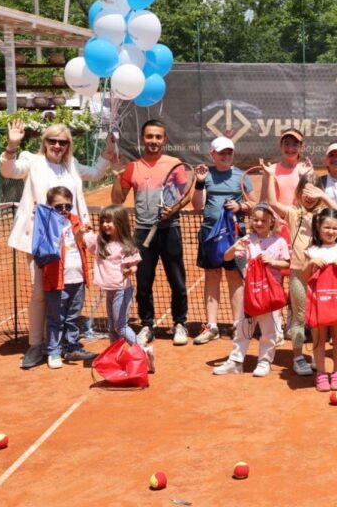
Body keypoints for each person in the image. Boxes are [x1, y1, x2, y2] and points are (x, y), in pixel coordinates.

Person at [0, 119, 116, 369]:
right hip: (40, 238)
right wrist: (12, 145)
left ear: (68, 145)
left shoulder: (70, 165)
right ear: (44, 142)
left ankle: (65, 344)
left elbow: (95, 174)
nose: (57, 146)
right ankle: (36, 345)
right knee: (41, 292)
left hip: (71, 238)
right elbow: (9, 171)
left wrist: (108, 151)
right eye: (52, 141)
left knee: (70, 291)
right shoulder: (32, 161)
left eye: (62, 142)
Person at [112, 120, 193, 346]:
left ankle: (180, 323)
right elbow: (117, 200)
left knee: (177, 280)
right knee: (144, 281)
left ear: (164, 140)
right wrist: (117, 178)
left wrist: (174, 209)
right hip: (142, 232)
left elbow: (186, 194)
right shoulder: (132, 167)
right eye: (149, 136)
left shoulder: (174, 164)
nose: (154, 141)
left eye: (158, 137)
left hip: (171, 230)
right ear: (142, 138)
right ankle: (147, 325)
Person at [266, 172, 337, 376]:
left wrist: (323, 196)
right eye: (305, 192)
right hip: (298, 273)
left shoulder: (325, 212)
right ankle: (298, 357)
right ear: (299, 192)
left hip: (322, 274)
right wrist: (271, 176)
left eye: (313, 192)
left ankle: (317, 354)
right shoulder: (293, 213)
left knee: (320, 318)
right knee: (298, 318)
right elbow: (272, 202)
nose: (309, 197)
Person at [191, 137, 254, 345]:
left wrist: (241, 207)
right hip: (210, 234)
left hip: (235, 235)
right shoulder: (206, 175)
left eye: (229, 153)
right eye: (221, 153)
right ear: (213, 155)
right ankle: (212, 326)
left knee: (235, 277)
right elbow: (197, 206)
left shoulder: (241, 176)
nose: (226, 156)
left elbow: (255, 204)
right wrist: (199, 182)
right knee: (211, 276)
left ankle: (237, 324)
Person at [215, 204, 289, 377]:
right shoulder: (247, 239)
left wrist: (272, 261)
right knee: (243, 328)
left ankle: (264, 361)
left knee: (269, 330)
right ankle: (235, 361)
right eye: (255, 219)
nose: (259, 223)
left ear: (272, 221)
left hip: (270, 294)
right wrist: (235, 248)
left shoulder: (279, 241)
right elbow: (227, 257)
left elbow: (287, 263)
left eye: (263, 220)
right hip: (250, 293)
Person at [83, 203, 153, 372]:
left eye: (110, 221)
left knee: (120, 326)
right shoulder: (100, 241)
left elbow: (135, 265)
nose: (106, 224)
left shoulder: (125, 245)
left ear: (120, 223)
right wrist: (83, 230)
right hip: (110, 290)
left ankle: (143, 351)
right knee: (112, 327)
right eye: (104, 221)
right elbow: (84, 239)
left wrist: (131, 269)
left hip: (122, 290)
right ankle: (116, 356)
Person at [302, 208, 337, 392]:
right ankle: (321, 373)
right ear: (318, 227)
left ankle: (336, 372)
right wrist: (311, 263)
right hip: (318, 302)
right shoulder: (311, 250)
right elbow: (304, 276)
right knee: (319, 339)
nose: (330, 231)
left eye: (334, 228)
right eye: (326, 227)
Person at [41, 187, 94, 369]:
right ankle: (54, 351)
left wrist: (84, 234)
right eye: (58, 206)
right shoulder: (47, 224)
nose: (63, 209)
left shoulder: (76, 221)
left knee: (73, 318)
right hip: (57, 281)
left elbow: (83, 244)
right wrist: (44, 215)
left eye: (67, 206)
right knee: (56, 319)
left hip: (77, 279)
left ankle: (71, 347)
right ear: (50, 206)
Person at [260, 127, 313, 207]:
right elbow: (262, 202)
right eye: (286, 143)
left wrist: (304, 177)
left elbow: (310, 204)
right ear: (281, 145)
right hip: (274, 219)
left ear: (301, 147)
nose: (290, 148)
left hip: (298, 217)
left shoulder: (307, 171)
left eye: (295, 144)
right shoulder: (270, 170)